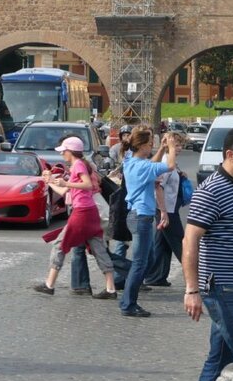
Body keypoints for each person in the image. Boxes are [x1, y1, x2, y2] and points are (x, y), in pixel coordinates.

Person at [182, 127, 233, 381]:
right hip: (224, 289)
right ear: (230, 154)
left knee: (220, 360)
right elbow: (190, 239)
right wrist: (192, 290)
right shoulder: (212, 191)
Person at [33, 136, 117, 299]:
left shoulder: (78, 165)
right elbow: (65, 193)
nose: (62, 154)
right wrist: (49, 181)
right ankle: (110, 288)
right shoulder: (79, 165)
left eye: (63, 151)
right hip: (89, 212)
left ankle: (49, 285)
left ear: (70, 151)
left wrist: (66, 183)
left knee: (60, 245)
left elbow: (87, 185)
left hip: (82, 212)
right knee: (98, 248)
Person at [119, 128, 177, 317]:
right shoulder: (142, 166)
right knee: (140, 263)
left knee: (146, 260)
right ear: (143, 145)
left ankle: (127, 298)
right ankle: (128, 304)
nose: (153, 144)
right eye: (150, 142)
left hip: (136, 215)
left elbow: (151, 165)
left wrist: (161, 149)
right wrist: (171, 147)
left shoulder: (131, 161)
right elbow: (170, 166)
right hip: (141, 217)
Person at [144, 132, 186, 287]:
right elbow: (159, 187)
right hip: (166, 209)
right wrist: (163, 212)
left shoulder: (172, 162)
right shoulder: (165, 162)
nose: (179, 148)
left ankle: (156, 276)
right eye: (177, 144)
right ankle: (197, 276)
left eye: (180, 144)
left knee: (162, 244)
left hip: (169, 207)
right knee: (180, 243)